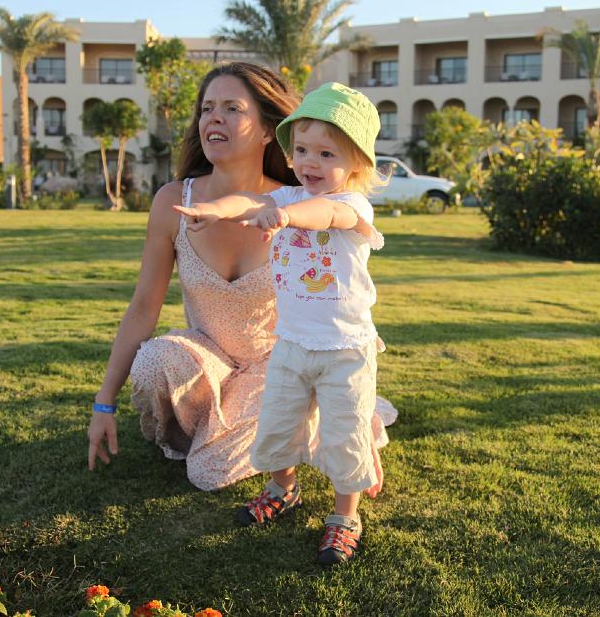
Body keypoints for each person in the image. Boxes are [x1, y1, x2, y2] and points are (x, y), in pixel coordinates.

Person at [86, 64, 396, 496]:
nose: (214, 117)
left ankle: (338, 417)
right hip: (208, 360)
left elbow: (343, 304)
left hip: (280, 364)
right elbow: (142, 309)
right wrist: (103, 403)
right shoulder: (175, 201)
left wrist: (285, 216)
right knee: (156, 359)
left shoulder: (303, 204)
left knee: (208, 473)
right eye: (207, 108)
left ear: (268, 130)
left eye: (232, 108)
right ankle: (251, 429)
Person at [173, 82, 387, 565]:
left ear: (356, 163)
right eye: (303, 150)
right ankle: (282, 488)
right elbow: (247, 203)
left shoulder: (353, 206)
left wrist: (285, 216)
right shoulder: (287, 194)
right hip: (289, 344)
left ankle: (345, 516)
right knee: (278, 422)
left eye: (327, 154)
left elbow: (324, 214)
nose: (310, 162)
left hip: (344, 350)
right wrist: (212, 210)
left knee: (345, 432)